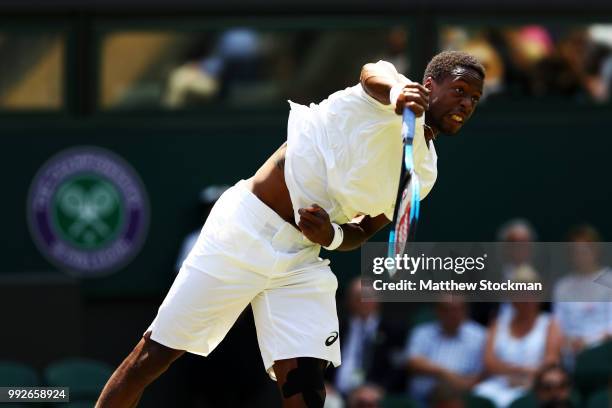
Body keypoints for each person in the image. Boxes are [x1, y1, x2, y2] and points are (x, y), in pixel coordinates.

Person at [96, 51, 485, 408]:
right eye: (460, 90)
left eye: (474, 98)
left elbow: (364, 230)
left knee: (307, 391)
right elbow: (373, 72)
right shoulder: (381, 96)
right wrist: (399, 90)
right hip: (244, 228)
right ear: (429, 85)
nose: (466, 103)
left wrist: (329, 235)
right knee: (151, 359)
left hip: (301, 257)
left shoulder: (425, 170)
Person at [473, 302, 562, 408]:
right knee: (478, 396)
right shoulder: (498, 323)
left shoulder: (549, 324)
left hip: (532, 384)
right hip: (499, 383)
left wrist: (525, 377)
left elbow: (551, 361)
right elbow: (489, 361)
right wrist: (515, 373)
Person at [405, 296, 486, 406]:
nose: (452, 315)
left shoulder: (479, 335)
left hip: (463, 395)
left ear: (465, 311)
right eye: (447, 309)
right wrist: (444, 373)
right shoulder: (422, 332)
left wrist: (463, 383)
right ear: (437, 311)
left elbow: (483, 372)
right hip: (423, 397)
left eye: (457, 309)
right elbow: (413, 362)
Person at [330, 278, 405, 396]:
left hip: (372, 394)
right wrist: (324, 384)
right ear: (348, 301)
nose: (362, 302)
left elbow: (398, 368)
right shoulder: (335, 328)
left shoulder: (392, 331)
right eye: (357, 298)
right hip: (335, 393)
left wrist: (379, 389)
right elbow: (321, 363)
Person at [553, 225, 612, 362]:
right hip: (571, 356)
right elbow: (558, 325)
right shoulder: (562, 286)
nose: (580, 255)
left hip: (606, 355)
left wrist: (589, 342)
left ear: (596, 249)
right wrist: (570, 343)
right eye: (575, 251)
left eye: (585, 249)